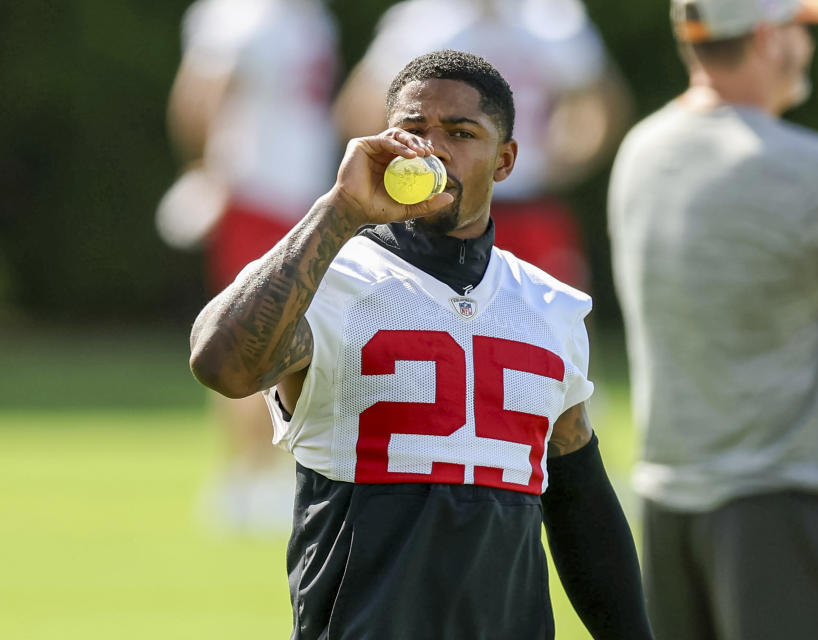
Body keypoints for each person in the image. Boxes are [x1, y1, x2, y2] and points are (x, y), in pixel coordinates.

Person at [189, 50, 652, 639]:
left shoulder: (550, 306)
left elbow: (579, 498)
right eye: (412, 131)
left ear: (505, 160)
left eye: (461, 133)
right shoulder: (330, 279)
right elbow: (221, 365)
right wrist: (338, 211)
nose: (432, 148)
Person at [608, 1, 818, 638]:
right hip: (785, 508)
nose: (807, 44)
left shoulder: (640, 153)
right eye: (800, 28)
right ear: (768, 37)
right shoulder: (817, 169)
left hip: (667, 507)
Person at [158, 0, 341, 532]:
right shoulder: (239, 16)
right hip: (255, 190)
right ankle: (242, 478)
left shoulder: (310, 18)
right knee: (247, 335)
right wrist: (205, 170)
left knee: (304, 337)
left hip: (305, 198)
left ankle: (280, 470)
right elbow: (198, 96)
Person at [333, 0, 634, 291]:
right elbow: (359, 110)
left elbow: (604, 104)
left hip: (530, 205)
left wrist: (562, 163)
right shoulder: (421, 22)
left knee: (559, 327)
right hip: (442, 207)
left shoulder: (553, 18)